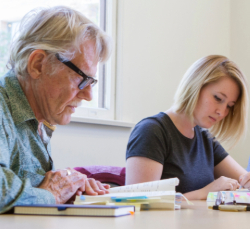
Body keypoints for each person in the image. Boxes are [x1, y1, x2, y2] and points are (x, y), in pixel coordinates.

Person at [0, 6, 112, 213]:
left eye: (92, 82)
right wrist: (52, 195)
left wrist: (68, 186)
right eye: (82, 79)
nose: (89, 95)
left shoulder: (38, 119)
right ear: (38, 65)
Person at [126, 55, 250, 200]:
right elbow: (138, 202)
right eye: (217, 98)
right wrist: (206, 192)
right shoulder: (151, 131)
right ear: (196, 86)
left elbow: (244, 181)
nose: (222, 112)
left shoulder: (205, 138)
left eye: (229, 106)